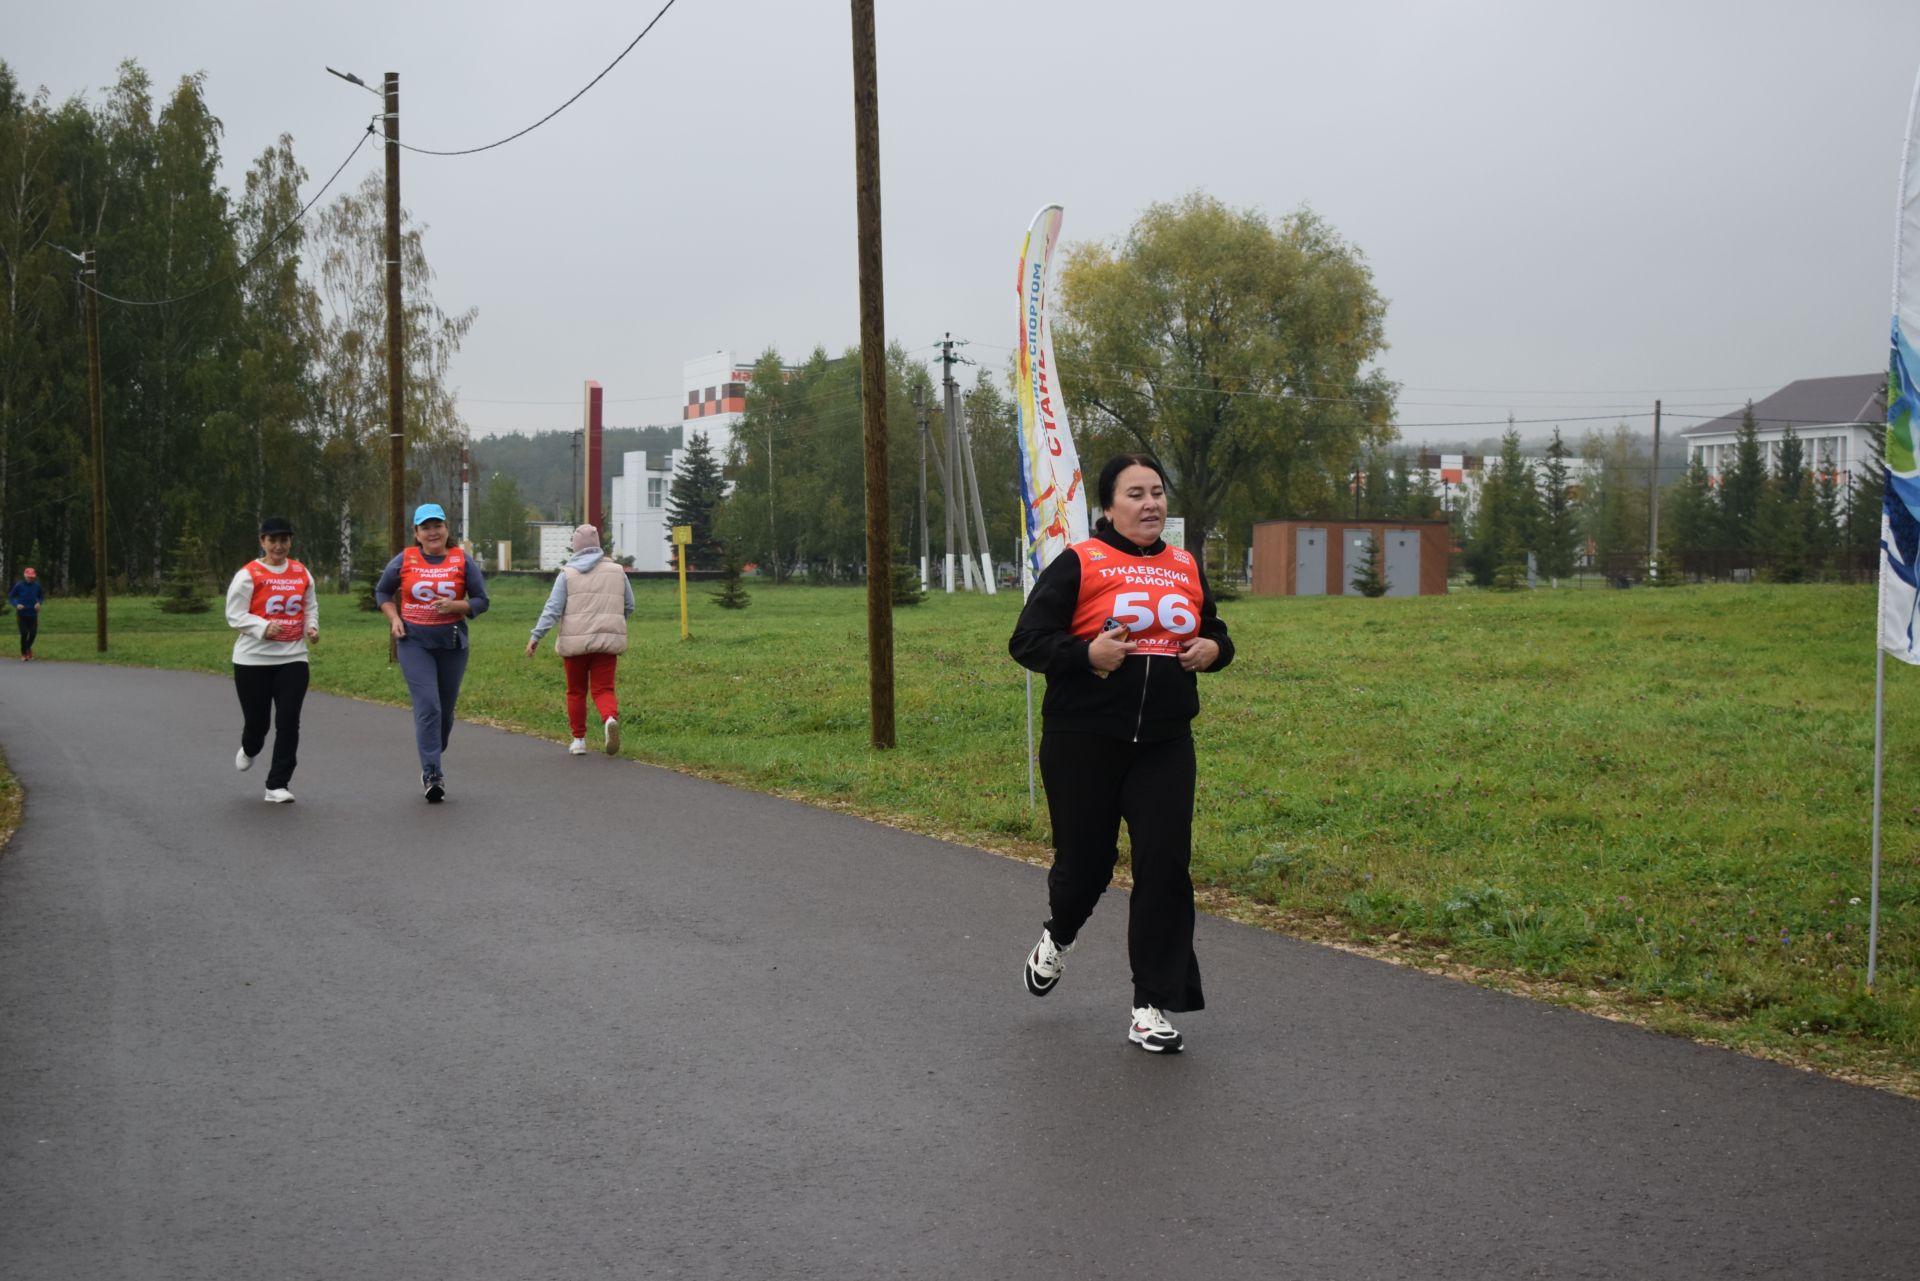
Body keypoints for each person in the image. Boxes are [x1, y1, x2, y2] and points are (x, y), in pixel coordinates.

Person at [1008, 453, 1234, 1054]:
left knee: (1164, 867)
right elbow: (1027, 640)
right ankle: (1060, 935)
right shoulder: (1080, 562)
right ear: (1108, 507)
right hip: (1083, 740)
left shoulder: (1185, 564)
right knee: (1085, 867)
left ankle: (1150, 1005)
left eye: (1157, 492)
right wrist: (1086, 656)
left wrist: (1212, 648)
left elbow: (1216, 630)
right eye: (1136, 494)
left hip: (1164, 743)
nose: (1151, 504)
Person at [376, 504, 489, 802]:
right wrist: (395, 619)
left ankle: (432, 752)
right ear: (417, 533)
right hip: (414, 643)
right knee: (429, 705)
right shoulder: (405, 559)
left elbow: (481, 600)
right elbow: (382, 592)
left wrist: (458, 607)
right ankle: (432, 773)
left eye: (437, 525)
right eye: (425, 527)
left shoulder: (461, 560)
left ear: (446, 529)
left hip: (451, 644)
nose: (432, 532)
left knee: (445, 713)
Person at [225, 516, 318, 803]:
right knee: (258, 723)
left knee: (289, 720)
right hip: (252, 660)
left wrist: (311, 627)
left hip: (293, 657)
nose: (279, 546)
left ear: (290, 541)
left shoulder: (301, 572)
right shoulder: (249, 575)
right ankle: (250, 747)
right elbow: (234, 615)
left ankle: (277, 784)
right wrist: (263, 627)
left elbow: (309, 606)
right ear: (262, 542)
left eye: (284, 540)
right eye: (273, 540)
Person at [524, 524, 633, 756]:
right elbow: (629, 605)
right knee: (604, 689)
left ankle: (579, 740)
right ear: (598, 545)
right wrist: (614, 621)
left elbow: (553, 609)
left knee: (576, 691)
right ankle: (610, 719)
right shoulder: (617, 571)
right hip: (606, 642)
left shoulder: (567, 574)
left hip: (575, 645)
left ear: (575, 547)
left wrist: (536, 636)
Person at [7, 567, 43, 660]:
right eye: (29, 577)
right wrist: (16, 604)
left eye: (32, 577)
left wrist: (39, 603)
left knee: (33, 634)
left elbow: (41, 596)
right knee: (24, 633)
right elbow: (11, 596)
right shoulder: (19, 585)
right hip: (22, 614)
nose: (30, 579)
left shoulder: (37, 586)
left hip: (33, 614)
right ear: (25, 575)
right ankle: (23, 653)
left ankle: (27, 648)